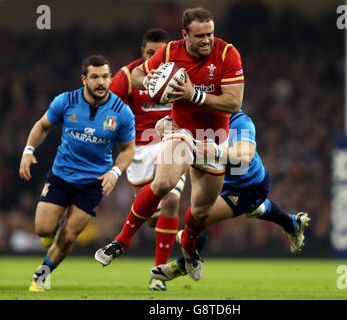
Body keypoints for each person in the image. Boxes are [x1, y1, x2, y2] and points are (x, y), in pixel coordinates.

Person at [94, 7, 244, 282]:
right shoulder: (169, 53)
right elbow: (138, 75)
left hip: (214, 137)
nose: (207, 40)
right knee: (165, 184)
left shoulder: (226, 53)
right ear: (184, 34)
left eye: (210, 34)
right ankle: (121, 241)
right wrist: (148, 79)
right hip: (180, 129)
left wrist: (193, 94)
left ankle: (188, 248)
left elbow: (234, 102)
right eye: (200, 36)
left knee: (200, 211)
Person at [150, 110, 311, 284]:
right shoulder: (199, 117)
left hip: (248, 187)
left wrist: (217, 151)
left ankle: (183, 265)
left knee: (199, 219)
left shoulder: (240, 121)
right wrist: (163, 126)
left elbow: (246, 155)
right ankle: (293, 224)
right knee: (255, 209)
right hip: (223, 183)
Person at [19, 55, 136, 292]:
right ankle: (52, 229)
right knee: (43, 229)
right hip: (61, 175)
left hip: (94, 182)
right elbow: (42, 125)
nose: (101, 82)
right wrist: (28, 150)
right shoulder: (66, 101)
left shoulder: (121, 112)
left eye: (105, 76)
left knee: (70, 234)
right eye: (95, 77)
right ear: (84, 79)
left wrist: (115, 171)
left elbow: (129, 150)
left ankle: (42, 274)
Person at [107, 28, 186, 291]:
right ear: (143, 53)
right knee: (152, 216)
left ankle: (158, 274)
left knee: (172, 199)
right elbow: (111, 114)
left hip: (172, 141)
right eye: (151, 53)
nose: (156, 57)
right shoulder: (127, 77)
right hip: (140, 149)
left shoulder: (181, 75)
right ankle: (160, 229)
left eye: (161, 53)